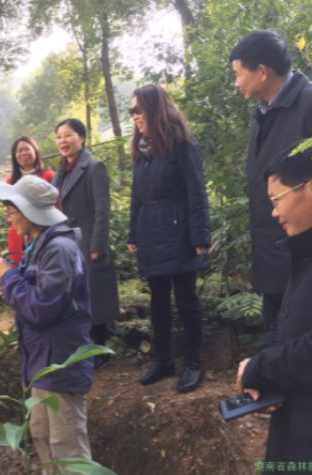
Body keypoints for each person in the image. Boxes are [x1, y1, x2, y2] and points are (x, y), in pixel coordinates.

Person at [237, 146, 312, 472]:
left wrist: (259, 368)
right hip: (301, 426)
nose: (274, 213)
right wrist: (263, 365)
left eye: (277, 199)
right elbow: (288, 319)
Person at [229, 30, 312, 331]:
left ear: (262, 71)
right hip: (273, 257)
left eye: (238, 74)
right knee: (277, 339)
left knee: (310, 345)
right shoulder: (262, 114)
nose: (236, 83)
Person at [0, 175, 93, 474]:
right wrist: (11, 285)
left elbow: (42, 308)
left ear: (30, 211)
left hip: (59, 362)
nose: (9, 216)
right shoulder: (40, 244)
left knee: (67, 446)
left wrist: (8, 277)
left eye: (12, 209)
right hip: (41, 361)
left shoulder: (58, 249)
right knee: (43, 437)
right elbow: (40, 292)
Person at [127, 85, 211, 393]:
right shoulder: (141, 150)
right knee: (158, 302)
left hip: (178, 233)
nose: (134, 117)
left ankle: (193, 363)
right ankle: (162, 360)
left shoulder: (182, 144)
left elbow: (196, 191)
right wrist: (133, 233)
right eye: (131, 112)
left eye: (138, 110)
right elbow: (137, 196)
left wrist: (200, 237)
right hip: (150, 233)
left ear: (155, 109)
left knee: (187, 302)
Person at [52, 118, 120, 368]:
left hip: (88, 240)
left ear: (81, 137)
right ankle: (81, 349)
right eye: (59, 136)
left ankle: (100, 349)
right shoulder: (59, 173)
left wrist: (97, 246)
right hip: (66, 244)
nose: (63, 141)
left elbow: (102, 210)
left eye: (68, 135)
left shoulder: (93, 167)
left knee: (94, 297)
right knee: (74, 296)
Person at [5, 136, 55, 267]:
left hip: (42, 233)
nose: (23, 153)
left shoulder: (49, 176)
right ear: (14, 156)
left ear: (35, 151)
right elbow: (9, 212)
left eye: (27, 149)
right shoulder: (10, 182)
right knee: (17, 271)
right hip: (18, 236)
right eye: (19, 151)